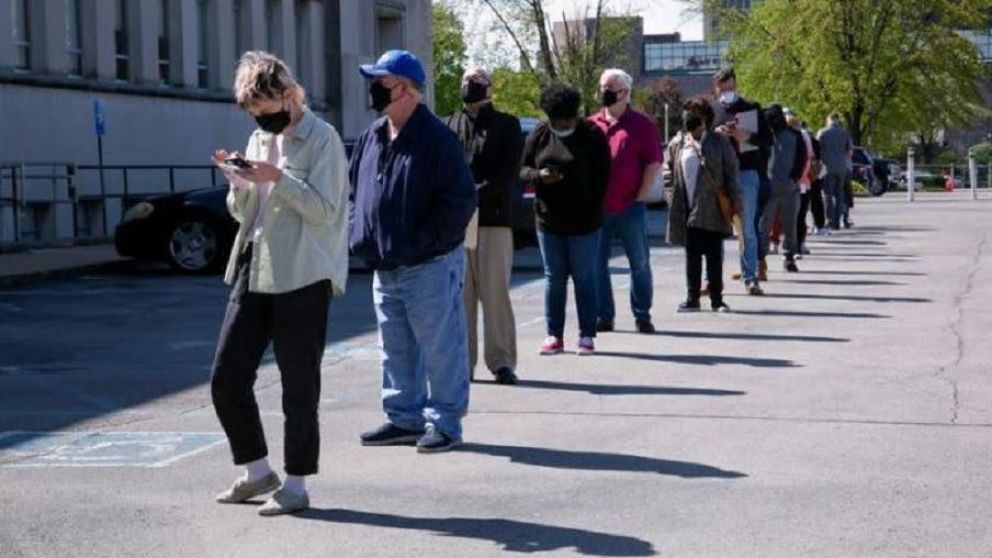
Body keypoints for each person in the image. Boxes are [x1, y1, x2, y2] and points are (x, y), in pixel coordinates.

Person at [209, 51, 350, 516]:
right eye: (255, 116)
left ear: (289, 96)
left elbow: (326, 211)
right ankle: (256, 471)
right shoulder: (256, 138)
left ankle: (296, 484)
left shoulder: (322, 138)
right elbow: (242, 212)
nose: (262, 123)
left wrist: (277, 179)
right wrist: (239, 183)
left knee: (298, 385)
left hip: (303, 273)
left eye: (267, 113)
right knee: (227, 377)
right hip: (256, 263)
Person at [349, 50, 476, 453]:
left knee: (441, 347)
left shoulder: (437, 138)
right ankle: (403, 417)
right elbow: (356, 191)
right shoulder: (373, 135)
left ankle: (446, 423)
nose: (373, 90)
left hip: (429, 265)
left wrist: (425, 242)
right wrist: (360, 231)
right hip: (385, 265)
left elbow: (459, 202)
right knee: (395, 347)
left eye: (381, 82)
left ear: (406, 89)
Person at [443, 68, 523, 386]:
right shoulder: (448, 125)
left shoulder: (507, 125)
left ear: (489, 88)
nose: (468, 86)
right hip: (458, 222)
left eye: (475, 82)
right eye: (464, 81)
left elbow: (508, 171)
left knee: (495, 293)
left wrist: (478, 189)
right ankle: (463, 362)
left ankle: (501, 361)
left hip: (494, 217)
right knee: (460, 296)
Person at [520, 83, 611, 356]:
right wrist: (540, 177)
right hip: (548, 221)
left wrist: (591, 207)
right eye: (555, 121)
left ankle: (586, 335)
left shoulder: (593, 135)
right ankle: (554, 335)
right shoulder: (539, 133)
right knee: (554, 279)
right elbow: (522, 168)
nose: (561, 125)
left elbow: (603, 177)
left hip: (585, 222)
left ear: (575, 115)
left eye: (566, 120)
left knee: (584, 278)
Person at [588, 69, 663, 334]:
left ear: (625, 92)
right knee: (597, 264)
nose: (604, 91)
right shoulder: (591, 124)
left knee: (639, 262)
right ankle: (603, 316)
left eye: (611, 87)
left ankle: (642, 314)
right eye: (602, 86)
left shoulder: (641, 125)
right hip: (598, 208)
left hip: (631, 206)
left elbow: (653, 163)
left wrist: (641, 195)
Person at [667, 96, 743, 312]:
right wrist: (670, 195)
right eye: (687, 113)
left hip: (712, 207)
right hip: (686, 207)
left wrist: (737, 203)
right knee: (691, 255)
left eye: (694, 114)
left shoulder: (719, 142)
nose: (688, 118)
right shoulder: (678, 142)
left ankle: (717, 299)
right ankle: (692, 298)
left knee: (713, 254)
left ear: (705, 119)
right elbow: (668, 169)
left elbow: (732, 173)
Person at [713, 67, 773, 296]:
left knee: (746, 228)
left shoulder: (750, 107)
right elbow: (701, 138)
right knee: (715, 228)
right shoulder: (713, 109)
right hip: (719, 174)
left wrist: (746, 136)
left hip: (746, 171)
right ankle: (712, 280)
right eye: (720, 86)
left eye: (728, 85)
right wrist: (716, 133)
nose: (724, 90)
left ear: (735, 85)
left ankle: (751, 278)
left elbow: (767, 140)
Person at [759, 104, 807, 273]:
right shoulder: (764, 136)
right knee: (763, 226)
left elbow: (802, 158)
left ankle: (789, 257)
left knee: (790, 226)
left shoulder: (795, 136)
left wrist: (794, 178)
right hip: (768, 189)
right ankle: (760, 259)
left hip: (789, 188)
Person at [787, 112, 818, 257]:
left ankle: (793, 247)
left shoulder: (786, 137)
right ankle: (798, 245)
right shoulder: (804, 136)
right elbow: (809, 158)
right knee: (800, 216)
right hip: (803, 182)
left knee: (793, 217)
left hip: (794, 182)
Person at [816, 113, 853, 231]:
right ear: (837, 120)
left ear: (829, 120)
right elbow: (849, 152)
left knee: (827, 194)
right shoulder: (844, 133)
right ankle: (837, 220)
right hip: (841, 167)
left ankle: (830, 220)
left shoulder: (822, 132)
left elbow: (816, 150)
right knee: (839, 193)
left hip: (827, 167)